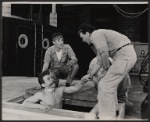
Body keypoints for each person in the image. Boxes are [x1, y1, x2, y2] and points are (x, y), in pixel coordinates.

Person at [78, 23, 137, 120]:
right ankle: (110, 113)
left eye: (82, 37)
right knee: (108, 85)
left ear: (88, 33)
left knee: (105, 85)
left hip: (124, 55)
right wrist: (89, 75)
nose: (83, 40)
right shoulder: (98, 40)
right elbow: (100, 60)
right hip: (124, 55)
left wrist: (106, 70)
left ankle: (107, 117)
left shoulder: (96, 34)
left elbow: (105, 54)